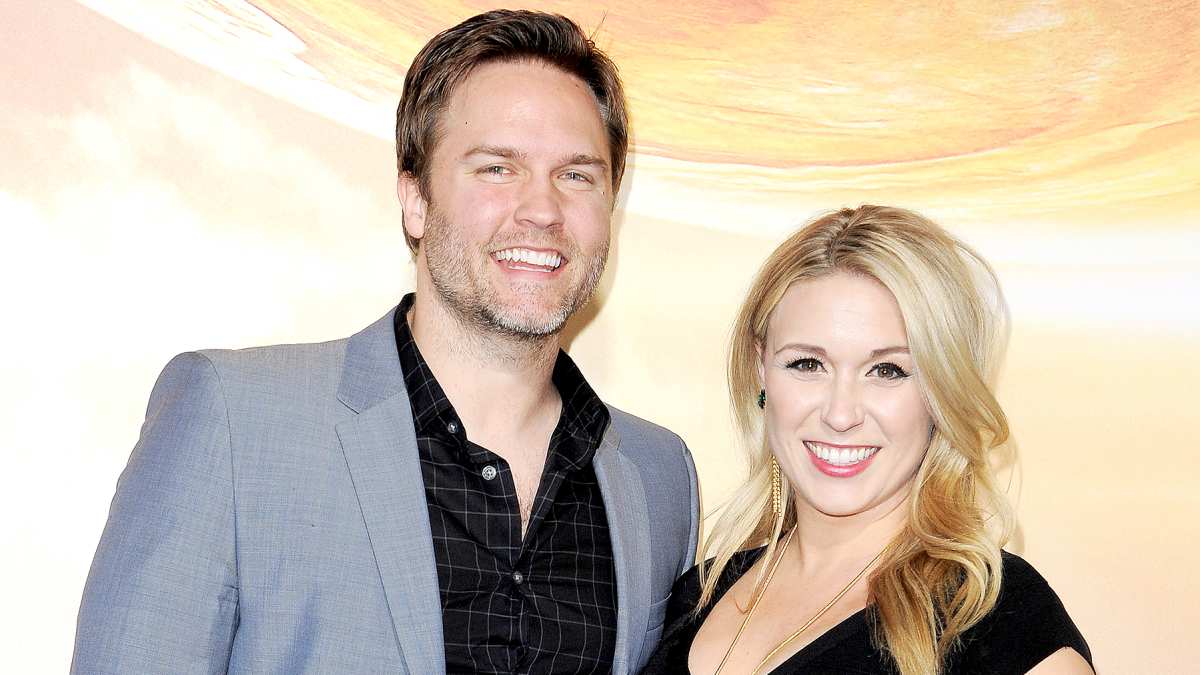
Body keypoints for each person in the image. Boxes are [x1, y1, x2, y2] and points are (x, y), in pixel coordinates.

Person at [72, 10, 698, 674]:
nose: (542, 209)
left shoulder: (661, 480)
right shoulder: (233, 418)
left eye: (577, 175)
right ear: (415, 200)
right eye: (496, 168)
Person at [642, 206, 1091, 674]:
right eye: (807, 364)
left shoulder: (997, 621)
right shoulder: (700, 593)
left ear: (941, 390)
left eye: (887, 370)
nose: (840, 414)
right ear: (760, 367)